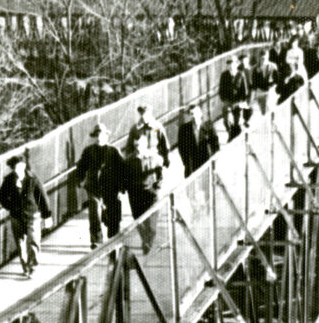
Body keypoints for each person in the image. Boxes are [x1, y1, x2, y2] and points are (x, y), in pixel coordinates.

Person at [123, 104, 169, 254]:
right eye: (140, 114)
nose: (143, 116)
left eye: (145, 113)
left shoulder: (157, 127)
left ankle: (149, 240)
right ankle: (146, 240)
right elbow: (128, 149)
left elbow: (164, 146)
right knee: (138, 216)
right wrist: (135, 153)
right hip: (136, 172)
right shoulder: (135, 129)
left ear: (150, 113)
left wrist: (163, 162)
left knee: (152, 214)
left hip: (152, 171)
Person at [0, 154, 52, 277]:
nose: (19, 168)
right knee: (20, 243)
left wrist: (47, 215)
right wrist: (10, 206)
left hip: (33, 215)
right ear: (13, 168)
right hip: (16, 216)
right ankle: (25, 267)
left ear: (24, 166)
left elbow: (42, 196)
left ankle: (32, 265)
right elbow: (1, 197)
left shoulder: (32, 179)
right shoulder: (9, 180)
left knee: (34, 240)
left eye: (21, 166)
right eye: (16, 167)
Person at [75, 122, 125, 248]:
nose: (99, 138)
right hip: (94, 187)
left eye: (101, 135)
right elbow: (81, 167)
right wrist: (80, 180)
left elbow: (123, 169)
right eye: (97, 135)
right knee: (94, 212)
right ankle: (96, 240)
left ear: (106, 136)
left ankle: (113, 237)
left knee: (113, 213)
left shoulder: (113, 151)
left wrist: (122, 187)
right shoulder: (89, 151)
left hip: (111, 187)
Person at [176, 104, 220, 177]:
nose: (193, 116)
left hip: (206, 162)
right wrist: (186, 162)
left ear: (200, 114)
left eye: (195, 113)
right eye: (191, 114)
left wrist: (213, 161)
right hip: (191, 165)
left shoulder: (208, 127)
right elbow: (181, 147)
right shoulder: (184, 129)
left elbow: (215, 145)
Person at [218, 55, 251, 140]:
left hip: (238, 101)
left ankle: (236, 133)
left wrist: (240, 102)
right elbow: (221, 89)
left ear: (236, 64)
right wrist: (224, 100)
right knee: (226, 120)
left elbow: (245, 91)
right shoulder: (224, 75)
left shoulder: (241, 74)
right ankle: (229, 133)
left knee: (237, 120)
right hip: (228, 101)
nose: (230, 65)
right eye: (228, 63)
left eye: (232, 63)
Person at [250, 50, 279, 115]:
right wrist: (254, 94)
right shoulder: (256, 69)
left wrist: (272, 86)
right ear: (259, 58)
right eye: (262, 58)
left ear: (268, 57)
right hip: (260, 92)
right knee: (264, 112)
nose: (263, 60)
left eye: (265, 58)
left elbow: (277, 80)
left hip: (270, 91)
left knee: (271, 110)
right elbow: (254, 83)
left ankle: (272, 122)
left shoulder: (272, 66)